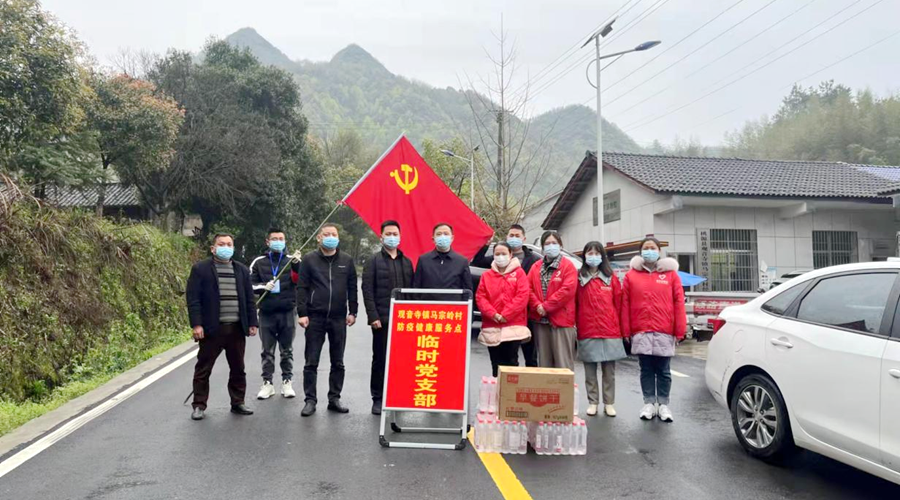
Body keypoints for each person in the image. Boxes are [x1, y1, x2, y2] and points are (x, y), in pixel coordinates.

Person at [185, 233, 258, 421]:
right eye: (221, 244)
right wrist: (197, 324)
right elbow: (193, 299)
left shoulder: (241, 270)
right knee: (203, 369)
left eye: (229, 244)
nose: (226, 247)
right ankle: (199, 405)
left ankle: (238, 402)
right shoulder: (200, 269)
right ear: (213, 248)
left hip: (236, 328)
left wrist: (252, 323)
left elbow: (249, 299)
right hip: (212, 329)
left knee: (238, 368)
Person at [621, 236, 686, 423]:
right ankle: (649, 402)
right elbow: (625, 304)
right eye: (646, 248)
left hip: (664, 329)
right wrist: (626, 330)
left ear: (659, 251)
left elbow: (679, 303)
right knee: (646, 369)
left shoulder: (671, 275)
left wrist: (680, 329)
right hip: (641, 329)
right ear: (640, 252)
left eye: (653, 248)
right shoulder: (631, 276)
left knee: (664, 370)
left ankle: (663, 404)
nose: (649, 251)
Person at [296, 223, 358, 417]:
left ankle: (334, 398)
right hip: (315, 317)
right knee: (311, 361)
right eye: (327, 234)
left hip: (339, 318)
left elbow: (352, 288)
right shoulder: (309, 259)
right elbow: (302, 287)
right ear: (319, 238)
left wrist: (353, 311)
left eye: (334, 234)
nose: (331, 237)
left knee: (338, 361)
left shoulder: (346, 260)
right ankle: (310, 400)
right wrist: (302, 313)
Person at [361, 220, 414, 415]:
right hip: (382, 320)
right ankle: (378, 398)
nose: (392, 237)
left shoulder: (406, 262)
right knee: (380, 360)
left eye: (395, 234)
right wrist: (372, 315)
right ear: (381, 237)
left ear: (400, 236)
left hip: (404, 320)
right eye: (388, 234)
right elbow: (367, 290)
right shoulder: (373, 261)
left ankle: (397, 396)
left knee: (402, 360)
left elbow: (412, 291)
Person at [250, 228, 303, 400]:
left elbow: (301, 281)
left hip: (288, 311)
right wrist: (263, 287)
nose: (278, 241)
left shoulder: (291, 260)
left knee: (287, 350)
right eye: (274, 239)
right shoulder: (258, 262)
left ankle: (287, 382)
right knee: (267, 350)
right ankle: (267, 383)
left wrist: (297, 265)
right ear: (268, 242)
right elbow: (249, 285)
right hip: (266, 313)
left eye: (281, 239)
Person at [576, 241, 626, 418]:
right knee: (590, 371)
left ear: (602, 256)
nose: (593, 256)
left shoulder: (612, 278)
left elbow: (619, 305)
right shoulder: (578, 278)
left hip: (610, 330)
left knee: (609, 372)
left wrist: (621, 329)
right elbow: (574, 304)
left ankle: (609, 403)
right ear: (584, 256)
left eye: (597, 253)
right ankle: (593, 402)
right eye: (590, 253)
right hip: (587, 329)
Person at [476, 242, 532, 377]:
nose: (500, 256)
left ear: (510, 255)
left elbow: (522, 296)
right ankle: (496, 389)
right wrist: (493, 314)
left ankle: (510, 390)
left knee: (511, 363)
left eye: (503, 253)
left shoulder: (519, 273)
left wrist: (506, 315)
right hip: (491, 325)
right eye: (497, 254)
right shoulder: (486, 275)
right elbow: (481, 297)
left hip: (513, 325)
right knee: (495, 364)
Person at [528, 231, 577, 370]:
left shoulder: (568, 266)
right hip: (540, 320)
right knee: (544, 363)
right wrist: (537, 305)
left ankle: (564, 386)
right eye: (547, 243)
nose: (551, 246)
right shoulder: (536, 267)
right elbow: (528, 288)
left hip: (561, 320)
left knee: (563, 363)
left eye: (554, 243)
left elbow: (567, 290)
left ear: (560, 245)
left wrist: (546, 307)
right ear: (543, 247)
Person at [412, 223, 473, 299]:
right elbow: (416, 287)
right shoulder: (423, 260)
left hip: (453, 305)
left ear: (452, 238)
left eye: (446, 234)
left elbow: (467, 291)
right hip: (428, 304)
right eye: (439, 234)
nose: (442, 236)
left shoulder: (461, 262)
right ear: (433, 239)